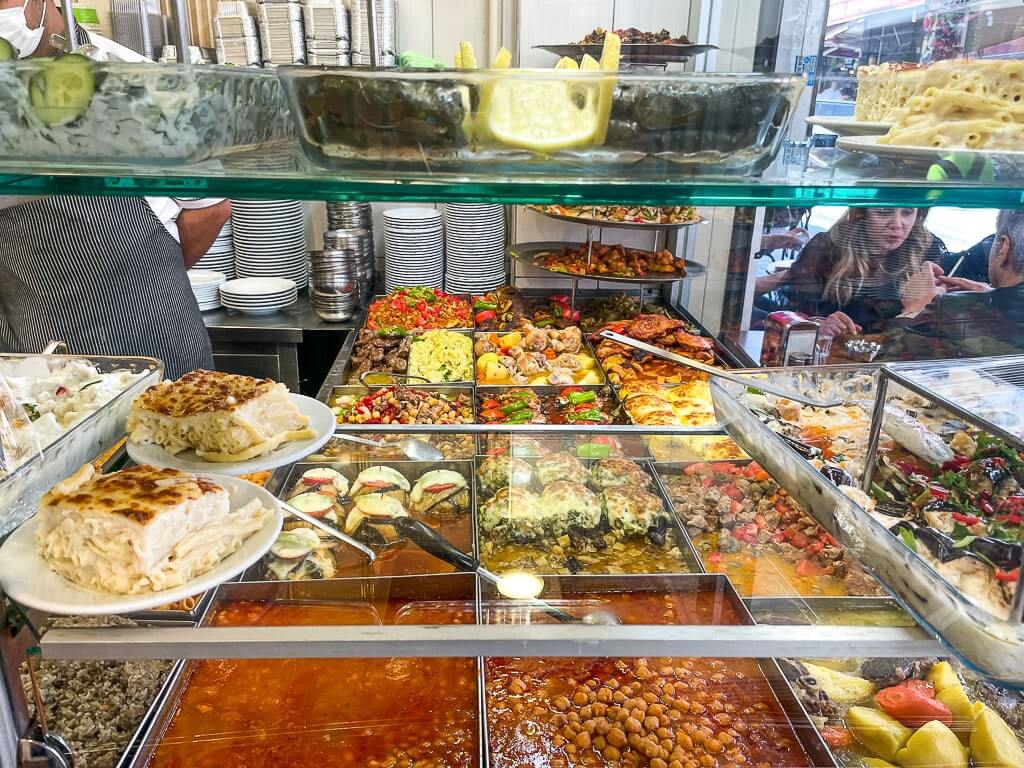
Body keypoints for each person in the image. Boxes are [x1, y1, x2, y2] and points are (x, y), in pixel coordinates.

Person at [0, 0, 230, 378]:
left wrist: (144, 282)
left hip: (150, 341)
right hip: (34, 358)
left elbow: (209, 209)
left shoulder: (131, 78)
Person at [776, 208, 948, 337]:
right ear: (861, 213)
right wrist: (819, 324)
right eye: (883, 212)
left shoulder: (927, 249)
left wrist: (940, 300)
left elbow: (933, 329)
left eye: (907, 212)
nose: (897, 224)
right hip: (835, 359)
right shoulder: (827, 248)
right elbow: (790, 317)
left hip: (897, 357)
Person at [889, 210, 1024, 358]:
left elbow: (880, 365)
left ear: (1003, 248)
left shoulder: (947, 313)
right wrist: (995, 295)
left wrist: (916, 309)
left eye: (994, 240)